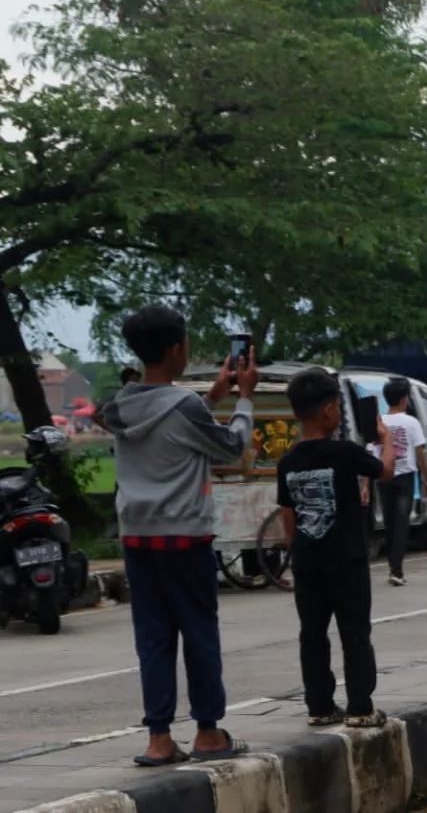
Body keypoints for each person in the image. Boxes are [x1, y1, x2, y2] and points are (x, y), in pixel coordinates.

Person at [100, 305, 257, 766]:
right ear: (175, 350)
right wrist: (243, 398)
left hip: (138, 539)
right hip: (185, 538)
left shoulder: (119, 406)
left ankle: (159, 737)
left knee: (153, 639)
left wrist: (211, 397)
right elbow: (230, 447)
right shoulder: (182, 406)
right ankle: (208, 731)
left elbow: (167, 429)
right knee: (199, 633)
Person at [276, 368, 395, 728]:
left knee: (312, 634)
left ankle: (320, 706)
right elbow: (385, 471)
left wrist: (294, 552)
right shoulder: (345, 452)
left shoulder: (289, 460)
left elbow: (287, 513)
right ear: (329, 410)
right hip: (346, 559)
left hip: (307, 560)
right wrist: (385, 439)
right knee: (355, 631)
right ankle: (360, 706)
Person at [372, 377, 427, 587]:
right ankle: (397, 569)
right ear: (405, 399)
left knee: (389, 522)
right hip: (405, 477)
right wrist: (426, 479)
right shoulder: (412, 422)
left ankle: (393, 568)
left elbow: (373, 450)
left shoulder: (380, 422)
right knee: (402, 522)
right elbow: (420, 453)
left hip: (384, 475)